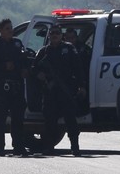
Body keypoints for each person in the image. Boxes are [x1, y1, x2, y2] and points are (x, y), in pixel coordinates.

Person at [32, 25, 86, 156]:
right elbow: (33, 68)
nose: (55, 35)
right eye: (52, 33)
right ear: (49, 36)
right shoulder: (44, 51)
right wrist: (39, 74)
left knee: (70, 120)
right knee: (49, 121)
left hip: (66, 90)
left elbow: (78, 68)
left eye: (57, 33)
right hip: (50, 92)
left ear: (62, 35)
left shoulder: (69, 49)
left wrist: (82, 86)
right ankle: (49, 147)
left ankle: (75, 146)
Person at [0, 18, 30, 156]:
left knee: (18, 118)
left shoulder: (17, 44)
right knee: (0, 119)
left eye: (11, 28)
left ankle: (18, 147)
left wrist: (25, 69)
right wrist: (3, 66)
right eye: (7, 28)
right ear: (1, 31)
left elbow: (25, 61)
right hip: (2, 87)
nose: (10, 30)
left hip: (17, 86)